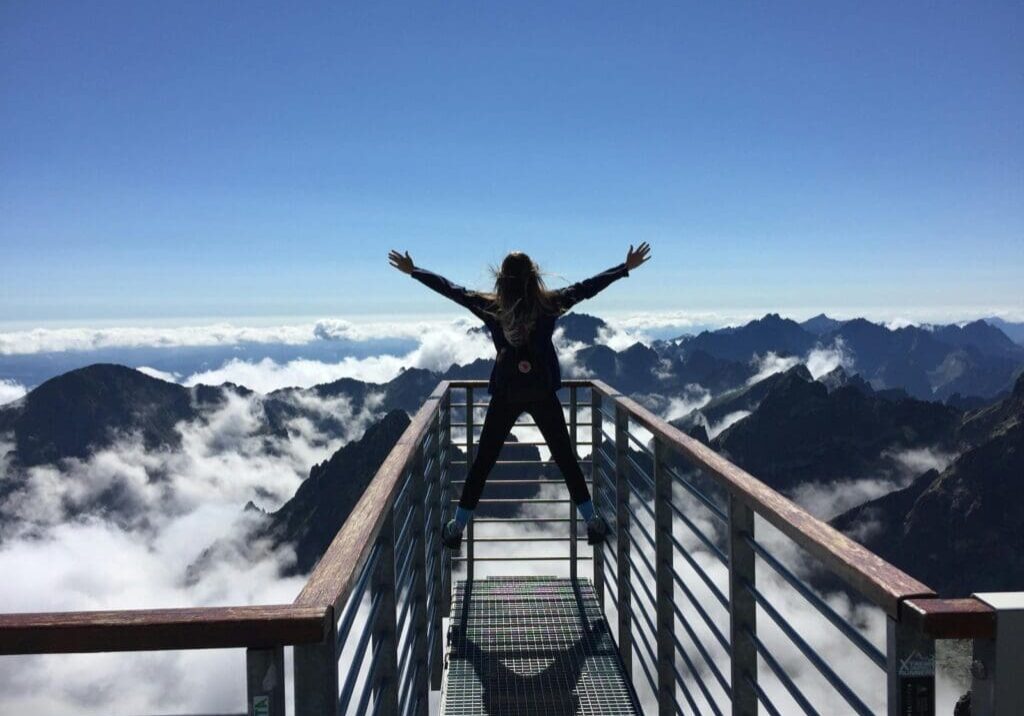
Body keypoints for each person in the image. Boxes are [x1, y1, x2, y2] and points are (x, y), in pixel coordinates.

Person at [388, 243, 652, 550]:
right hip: (541, 392)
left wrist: (414, 271)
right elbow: (587, 288)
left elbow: (452, 290)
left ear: (502, 279)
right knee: (566, 458)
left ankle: (457, 526)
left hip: (506, 393)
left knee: (483, 461)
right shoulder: (549, 305)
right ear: (534, 276)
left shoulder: (492, 308)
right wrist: (624, 268)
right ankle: (592, 520)